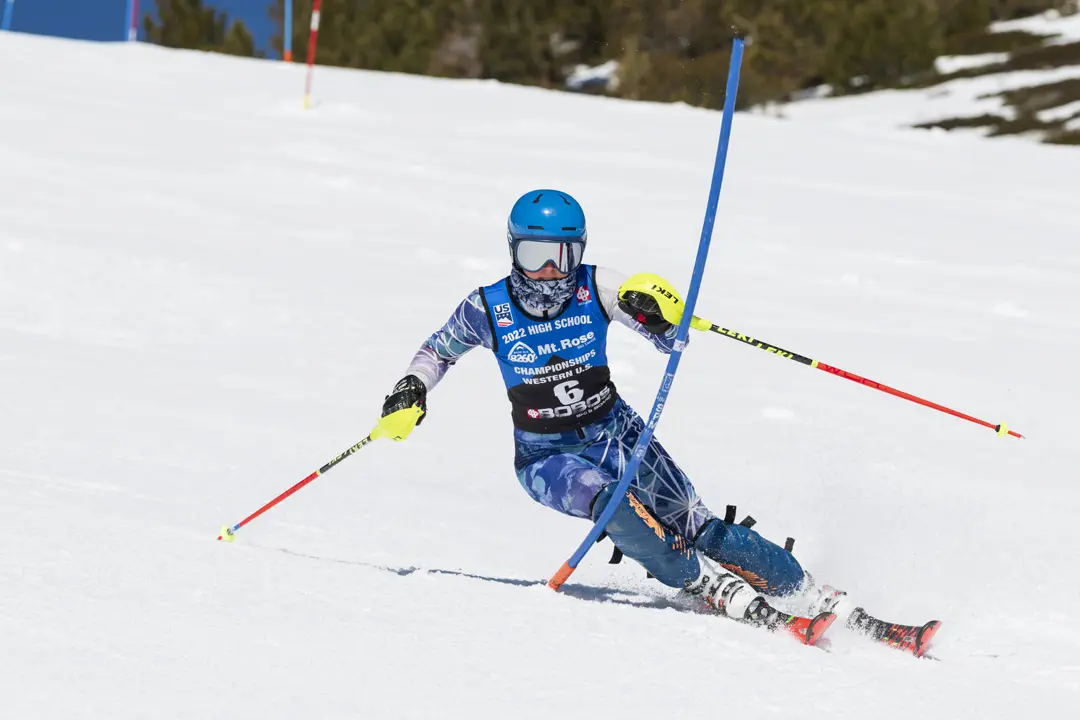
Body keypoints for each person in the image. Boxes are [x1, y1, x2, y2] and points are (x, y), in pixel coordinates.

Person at [376, 188, 838, 626]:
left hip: (618, 434)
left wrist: (659, 317)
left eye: (564, 257)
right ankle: (707, 584)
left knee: (699, 525)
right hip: (547, 456)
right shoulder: (487, 307)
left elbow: (669, 337)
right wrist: (411, 386)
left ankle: (806, 591)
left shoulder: (595, 285)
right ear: (513, 249)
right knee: (614, 506)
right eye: (534, 256)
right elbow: (438, 351)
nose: (549, 273)